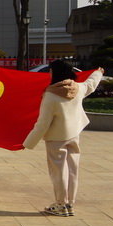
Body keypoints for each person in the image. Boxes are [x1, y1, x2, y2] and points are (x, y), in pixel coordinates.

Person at [23, 59, 104, 217]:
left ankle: (60, 204)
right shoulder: (78, 88)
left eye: (51, 70)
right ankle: (69, 203)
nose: (49, 73)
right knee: (72, 170)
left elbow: (42, 124)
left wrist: (28, 143)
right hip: (74, 134)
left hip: (56, 138)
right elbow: (91, 84)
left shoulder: (50, 95)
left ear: (56, 72)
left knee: (58, 171)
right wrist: (98, 72)